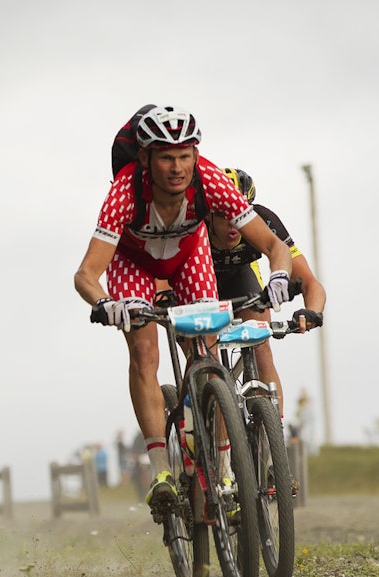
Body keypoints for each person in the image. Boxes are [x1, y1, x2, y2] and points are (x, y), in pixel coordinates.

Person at [73, 105, 293, 521]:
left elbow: (272, 244)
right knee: (145, 353)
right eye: (166, 157)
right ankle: (161, 471)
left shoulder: (209, 180)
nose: (177, 167)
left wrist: (280, 274)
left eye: (185, 155)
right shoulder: (125, 192)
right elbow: (86, 273)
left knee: (209, 362)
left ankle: (225, 471)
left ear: (196, 155)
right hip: (134, 265)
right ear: (145, 160)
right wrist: (106, 303)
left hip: (189, 258)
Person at [208, 168, 327, 418]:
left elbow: (310, 282)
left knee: (261, 344)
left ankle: (274, 441)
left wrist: (312, 311)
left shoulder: (262, 220)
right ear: (209, 213)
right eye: (222, 215)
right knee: (204, 356)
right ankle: (195, 419)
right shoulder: (196, 225)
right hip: (202, 284)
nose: (232, 224)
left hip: (241, 280)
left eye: (239, 214)